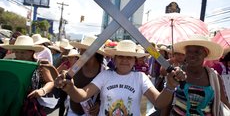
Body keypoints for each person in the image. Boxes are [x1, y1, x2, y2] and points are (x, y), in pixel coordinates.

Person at [54, 40, 186, 115]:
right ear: (114, 59)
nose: (124, 60)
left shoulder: (141, 78)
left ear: (135, 61)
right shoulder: (105, 75)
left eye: (129, 57)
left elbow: (159, 102)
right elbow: (82, 95)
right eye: (121, 56)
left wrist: (170, 86)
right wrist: (70, 88)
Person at [167, 34, 230, 115]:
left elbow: (223, 101)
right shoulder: (177, 73)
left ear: (205, 54)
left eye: (197, 51)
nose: (192, 55)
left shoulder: (214, 77)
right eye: (189, 51)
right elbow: (167, 103)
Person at [0, 35, 58, 115]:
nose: (19, 55)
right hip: (9, 102)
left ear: (31, 52)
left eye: (23, 52)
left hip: (29, 104)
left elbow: (51, 82)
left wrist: (42, 91)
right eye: (17, 52)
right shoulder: (10, 63)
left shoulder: (40, 65)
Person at [64, 35, 106, 116]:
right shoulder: (76, 67)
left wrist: (99, 104)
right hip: (71, 112)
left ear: (95, 53)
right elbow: (66, 75)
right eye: (81, 49)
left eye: (85, 50)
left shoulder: (104, 72)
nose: (81, 52)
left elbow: (107, 94)